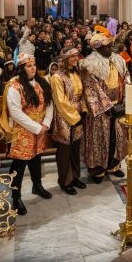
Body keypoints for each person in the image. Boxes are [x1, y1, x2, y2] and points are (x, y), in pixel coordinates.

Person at [2, 53, 53, 215]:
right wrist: (36, 128)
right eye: (29, 66)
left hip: (40, 127)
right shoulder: (14, 86)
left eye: (34, 65)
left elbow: (50, 103)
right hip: (23, 130)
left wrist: (46, 123)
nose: (33, 68)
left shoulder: (42, 81)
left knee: (37, 158)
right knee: (19, 165)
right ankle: (16, 196)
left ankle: (37, 185)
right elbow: (15, 112)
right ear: (21, 68)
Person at [80, 33, 128, 183]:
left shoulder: (118, 60)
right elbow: (90, 89)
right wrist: (106, 106)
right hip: (101, 110)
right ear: (98, 48)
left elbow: (125, 79)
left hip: (118, 105)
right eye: (106, 46)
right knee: (99, 139)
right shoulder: (90, 64)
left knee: (116, 137)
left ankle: (114, 165)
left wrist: (124, 100)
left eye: (110, 45)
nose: (110, 48)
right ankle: (97, 170)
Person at [50, 48, 87, 195]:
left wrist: (83, 109)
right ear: (65, 59)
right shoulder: (57, 77)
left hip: (78, 115)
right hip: (64, 118)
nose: (76, 59)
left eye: (76, 56)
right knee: (64, 151)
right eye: (72, 57)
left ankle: (75, 177)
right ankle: (65, 181)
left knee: (75, 149)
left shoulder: (76, 73)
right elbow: (60, 101)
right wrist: (75, 118)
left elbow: (81, 94)